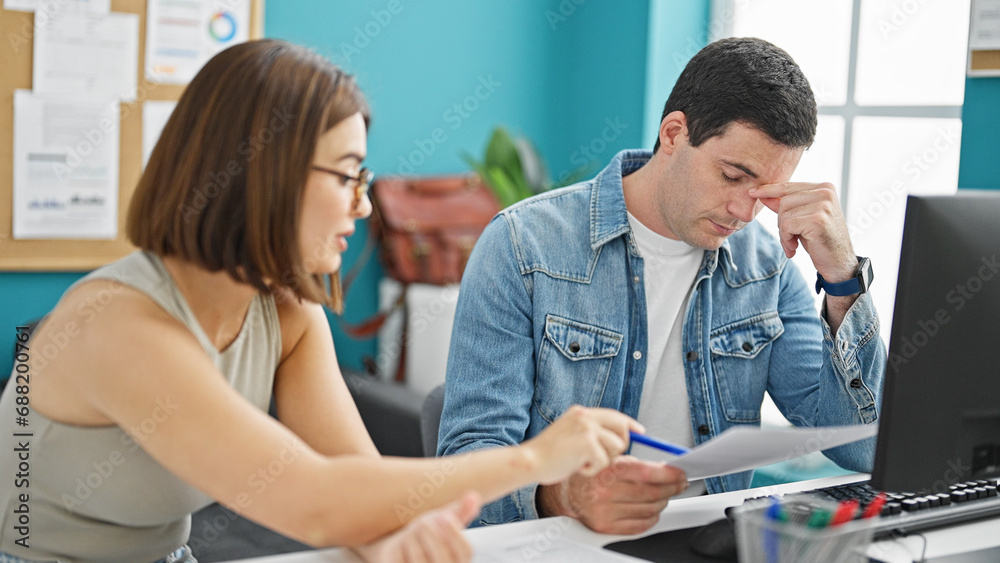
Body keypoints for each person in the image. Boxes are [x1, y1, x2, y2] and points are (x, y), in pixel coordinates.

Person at [0, 39, 643, 563]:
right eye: (346, 176)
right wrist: (535, 459)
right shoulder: (119, 324)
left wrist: (392, 536)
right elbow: (310, 499)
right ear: (261, 173)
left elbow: (355, 484)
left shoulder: (286, 312)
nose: (363, 206)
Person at [438, 37, 887, 534]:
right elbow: (467, 468)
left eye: (766, 194)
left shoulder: (766, 268)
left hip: (706, 541)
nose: (745, 212)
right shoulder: (524, 247)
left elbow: (860, 446)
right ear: (674, 133)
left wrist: (843, 281)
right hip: (563, 541)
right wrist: (565, 496)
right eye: (732, 176)